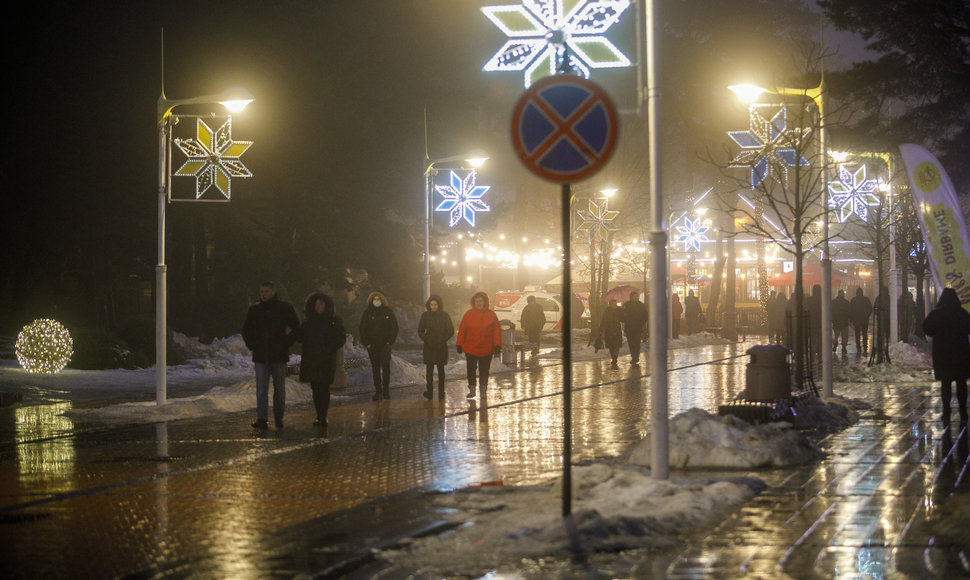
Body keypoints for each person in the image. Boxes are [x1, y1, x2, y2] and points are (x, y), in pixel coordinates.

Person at [241, 281, 300, 430]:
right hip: (261, 354)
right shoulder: (255, 310)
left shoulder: (284, 308)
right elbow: (246, 330)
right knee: (261, 388)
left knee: (279, 388)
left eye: (266, 291)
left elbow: (295, 328)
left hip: (278, 354)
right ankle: (262, 418)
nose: (263, 294)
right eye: (261, 292)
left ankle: (278, 416)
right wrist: (253, 345)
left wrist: (285, 343)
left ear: (273, 292)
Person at [298, 292, 346, 434]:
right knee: (315, 388)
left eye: (321, 304)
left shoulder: (334, 320)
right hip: (312, 360)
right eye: (316, 304)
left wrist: (328, 349)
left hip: (325, 360)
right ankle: (319, 415)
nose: (318, 307)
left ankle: (323, 416)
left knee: (324, 388)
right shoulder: (308, 322)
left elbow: (340, 338)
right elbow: (301, 336)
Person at [922, 288, 970, 424]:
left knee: (946, 384)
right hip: (961, 353)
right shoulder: (962, 313)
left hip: (943, 354)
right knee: (961, 384)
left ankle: (946, 411)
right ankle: (963, 411)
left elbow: (927, 328)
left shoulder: (937, 314)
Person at [456, 291, 501, 399]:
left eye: (481, 301)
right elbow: (462, 330)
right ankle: (472, 390)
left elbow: (496, 331)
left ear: (485, 302)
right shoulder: (468, 315)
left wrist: (497, 345)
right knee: (471, 370)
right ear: (474, 302)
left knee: (484, 371)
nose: (479, 303)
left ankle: (483, 390)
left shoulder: (491, 315)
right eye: (477, 301)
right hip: (471, 348)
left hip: (486, 349)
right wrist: (459, 344)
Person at [359, 291, 399, 401]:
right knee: (375, 368)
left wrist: (389, 342)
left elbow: (394, 327)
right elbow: (363, 329)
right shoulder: (367, 313)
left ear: (382, 300)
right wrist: (367, 343)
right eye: (374, 299)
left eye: (378, 299)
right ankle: (378, 391)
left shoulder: (388, 312)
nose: (376, 301)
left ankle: (386, 391)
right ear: (371, 300)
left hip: (385, 345)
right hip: (372, 346)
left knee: (386, 367)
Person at [417, 294, 454, 400]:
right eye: (432, 304)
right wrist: (426, 339)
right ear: (429, 305)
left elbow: (450, 330)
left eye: (435, 304)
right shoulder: (425, 315)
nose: (434, 306)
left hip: (441, 346)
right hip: (429, 346)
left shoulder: (444, 315)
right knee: (429, 370)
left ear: (439, 305)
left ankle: (441, 392)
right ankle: (429, 392)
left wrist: (443, 338)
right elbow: (420, 330)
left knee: (441, 369)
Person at [622, 290, 647, 364]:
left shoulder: (641, 305)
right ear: (631, 297)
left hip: (638, 327)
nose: (636, 298)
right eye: (635, 296)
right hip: (629, 327)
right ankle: (633, 355)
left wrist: (642, 323)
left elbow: (645, 315)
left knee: (636, 342)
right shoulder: (627, 305)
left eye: (637, 296)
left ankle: (636, 356)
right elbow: (623, 316)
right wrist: (623, 310)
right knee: (631, 342)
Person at [597, 299, 624, 368]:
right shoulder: (607, 311)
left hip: (617, 330)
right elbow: (603, 321)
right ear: (610, 304)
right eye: (613, 303)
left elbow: (623, 319)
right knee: (611, 345)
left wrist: (623, 311)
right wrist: (601, 329)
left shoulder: (619, 310)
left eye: (615, 303)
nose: (615, 305)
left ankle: (615, 357)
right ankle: (613, 357)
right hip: (609, 331)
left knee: (617, 345)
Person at [850, 288, 873, 354]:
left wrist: (852, 319)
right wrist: (867, 315)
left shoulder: (853, 300)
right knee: (864, 334)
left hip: (856, 320)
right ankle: (865, 348)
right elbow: (870, 309)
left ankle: (858, 347)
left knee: (857, 334)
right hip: (864, 320)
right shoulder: (866, 300)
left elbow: (851, 310)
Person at [832, 289, 851, 354]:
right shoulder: (846, 302)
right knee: (844, 336)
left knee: (836, 335)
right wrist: (850, 320)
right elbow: (849, 312)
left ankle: (835, 344)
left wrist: (832, 319)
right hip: (844, 322)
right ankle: (844, 347)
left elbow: (831, 312)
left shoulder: (833, 302)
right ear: (843, 294)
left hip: (836, 322)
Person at [807, 284, 823, 364]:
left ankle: (813, 357)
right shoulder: (823, 300)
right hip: (821, 324)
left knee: (813, 341)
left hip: (812, 323)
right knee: (821, 341)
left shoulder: (809, 300)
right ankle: (820, 356)